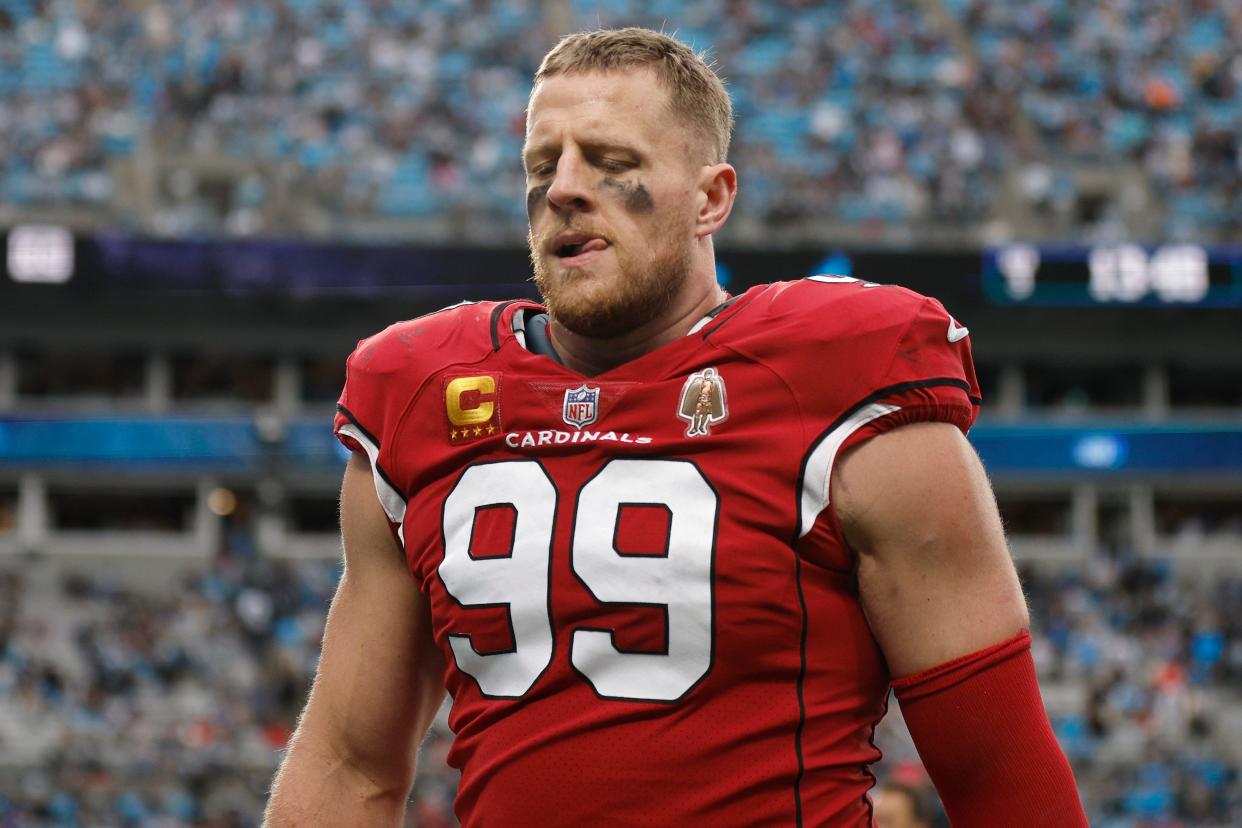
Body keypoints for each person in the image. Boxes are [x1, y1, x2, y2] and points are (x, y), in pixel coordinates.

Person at [265, 27, 1087, 827]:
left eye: (612, 162)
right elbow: (348, 764)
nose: (563, 190)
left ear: (711, 198)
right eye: (542, 166)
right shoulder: (422, 394)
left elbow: (997, 772)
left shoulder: (837, 381)